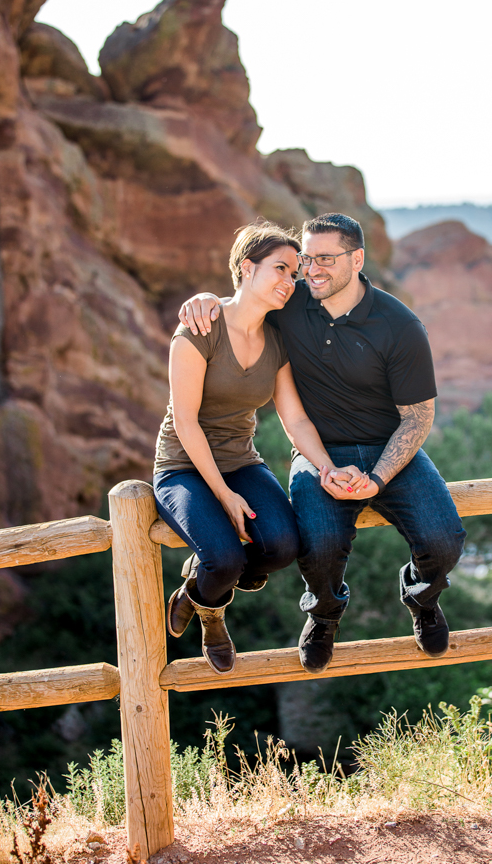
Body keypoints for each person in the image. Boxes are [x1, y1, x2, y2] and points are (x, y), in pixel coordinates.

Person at [178, 212, 466, 674]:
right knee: (320, 544)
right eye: (306, 259)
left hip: (390, 449)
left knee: (444, 540)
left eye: (325, 259)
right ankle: (325, 617)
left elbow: (418, 417)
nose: (311, 270)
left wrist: (376, 478)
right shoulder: (291, 302)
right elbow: (245, 293)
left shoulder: (400, 325)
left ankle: (423, 598)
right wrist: (205, 299)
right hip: (317, 452)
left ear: (357, 259)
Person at [155, 222, 361, 674]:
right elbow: (186, 423)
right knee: (225, 557)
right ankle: (212, 614)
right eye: (281, 269)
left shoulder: (276, 341)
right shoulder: (199, 329)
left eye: (296, 274)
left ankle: (197, 588)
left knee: (283, 546)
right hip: (183, 466)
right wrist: (225, 496)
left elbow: (296, 419)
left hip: (241, 461)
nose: (290, 282)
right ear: (247, 269)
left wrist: (326, 467)